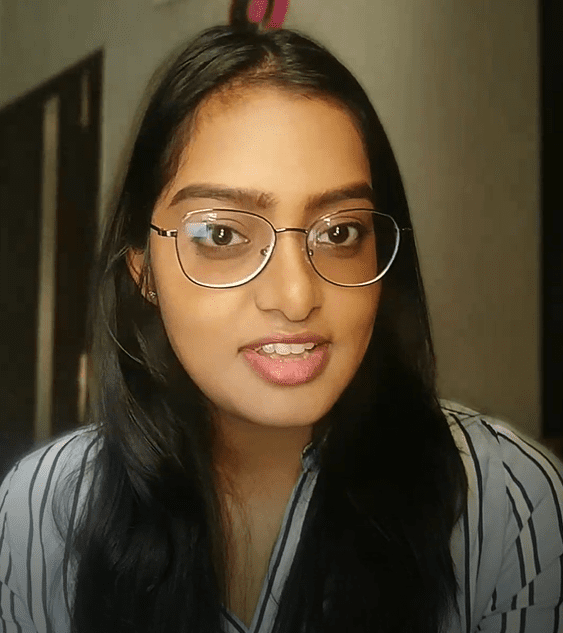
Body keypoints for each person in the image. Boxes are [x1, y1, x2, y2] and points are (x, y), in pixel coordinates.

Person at [1, 14, 562, 633]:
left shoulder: (505, 503)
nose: (296, 297)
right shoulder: (39, 512)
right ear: (144, 272)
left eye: (340, 233)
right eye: (222, 235)